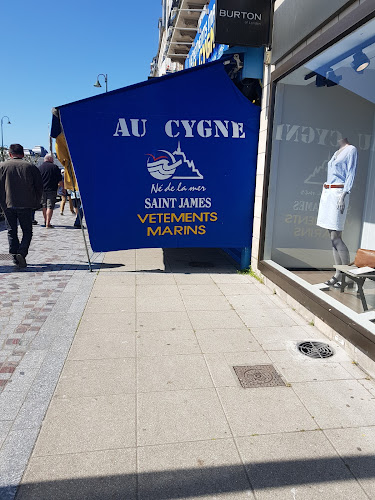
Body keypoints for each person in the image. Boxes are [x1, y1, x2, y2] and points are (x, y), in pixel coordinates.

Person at [316, 138, 358, 288]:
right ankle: (338, 274)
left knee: (336, 237)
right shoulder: (336, 151)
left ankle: (347, 276)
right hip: (328, 192)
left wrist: (344, 194)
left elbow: (350, 172)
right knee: (332, 238)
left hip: (338, 194)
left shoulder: (351, 150)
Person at [0, 143, 43, 267]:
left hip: (7, 204)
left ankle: (14, 256)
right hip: (26, 204)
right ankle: (22, 252)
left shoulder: (2, 166)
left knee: (11, 231)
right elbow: (39, 187)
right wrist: (36, 202)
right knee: (27, 231)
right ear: (23, 154)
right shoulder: (31, 167)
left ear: (10, 154)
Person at [38, 154, 63, 228]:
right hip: (52, 189)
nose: (53, 160)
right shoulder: (54, 167)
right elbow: (60, 180)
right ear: (49, 159)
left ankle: (45, 220)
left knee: (44, 206)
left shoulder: (40, 168)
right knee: (50, 206)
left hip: (42, 189)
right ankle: (48, 223)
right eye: (52, 159)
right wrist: (63, 189)